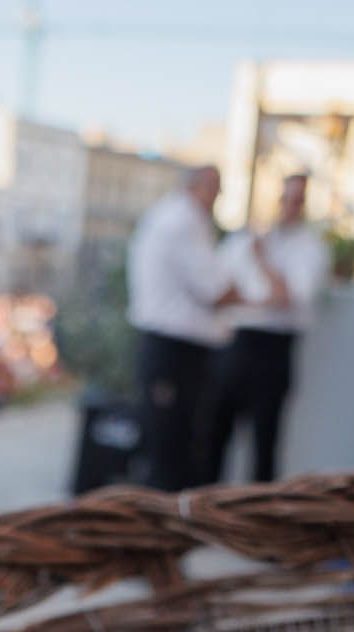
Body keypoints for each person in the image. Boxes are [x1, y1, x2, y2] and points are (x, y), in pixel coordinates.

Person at [203, 172, 325, 483]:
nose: (290, 206)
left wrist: (264, 264)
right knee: (213, 436)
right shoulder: (244, 240)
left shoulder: (310, 248)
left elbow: (287, 298)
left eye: (298, 200)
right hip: (236, 344)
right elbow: (217, 292)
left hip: (274, 351)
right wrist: (257, 299)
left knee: (265, 444)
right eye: (287, 198)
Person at [127, 165, 241, 490]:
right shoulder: (184, 221)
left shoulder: (173, 215)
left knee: (170, 446)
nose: (218, 196)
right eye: (215, 187)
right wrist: (249, 293)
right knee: (172, 451)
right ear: (199, 186)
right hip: (175, 352)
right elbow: (216, 291)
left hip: (171, 349)